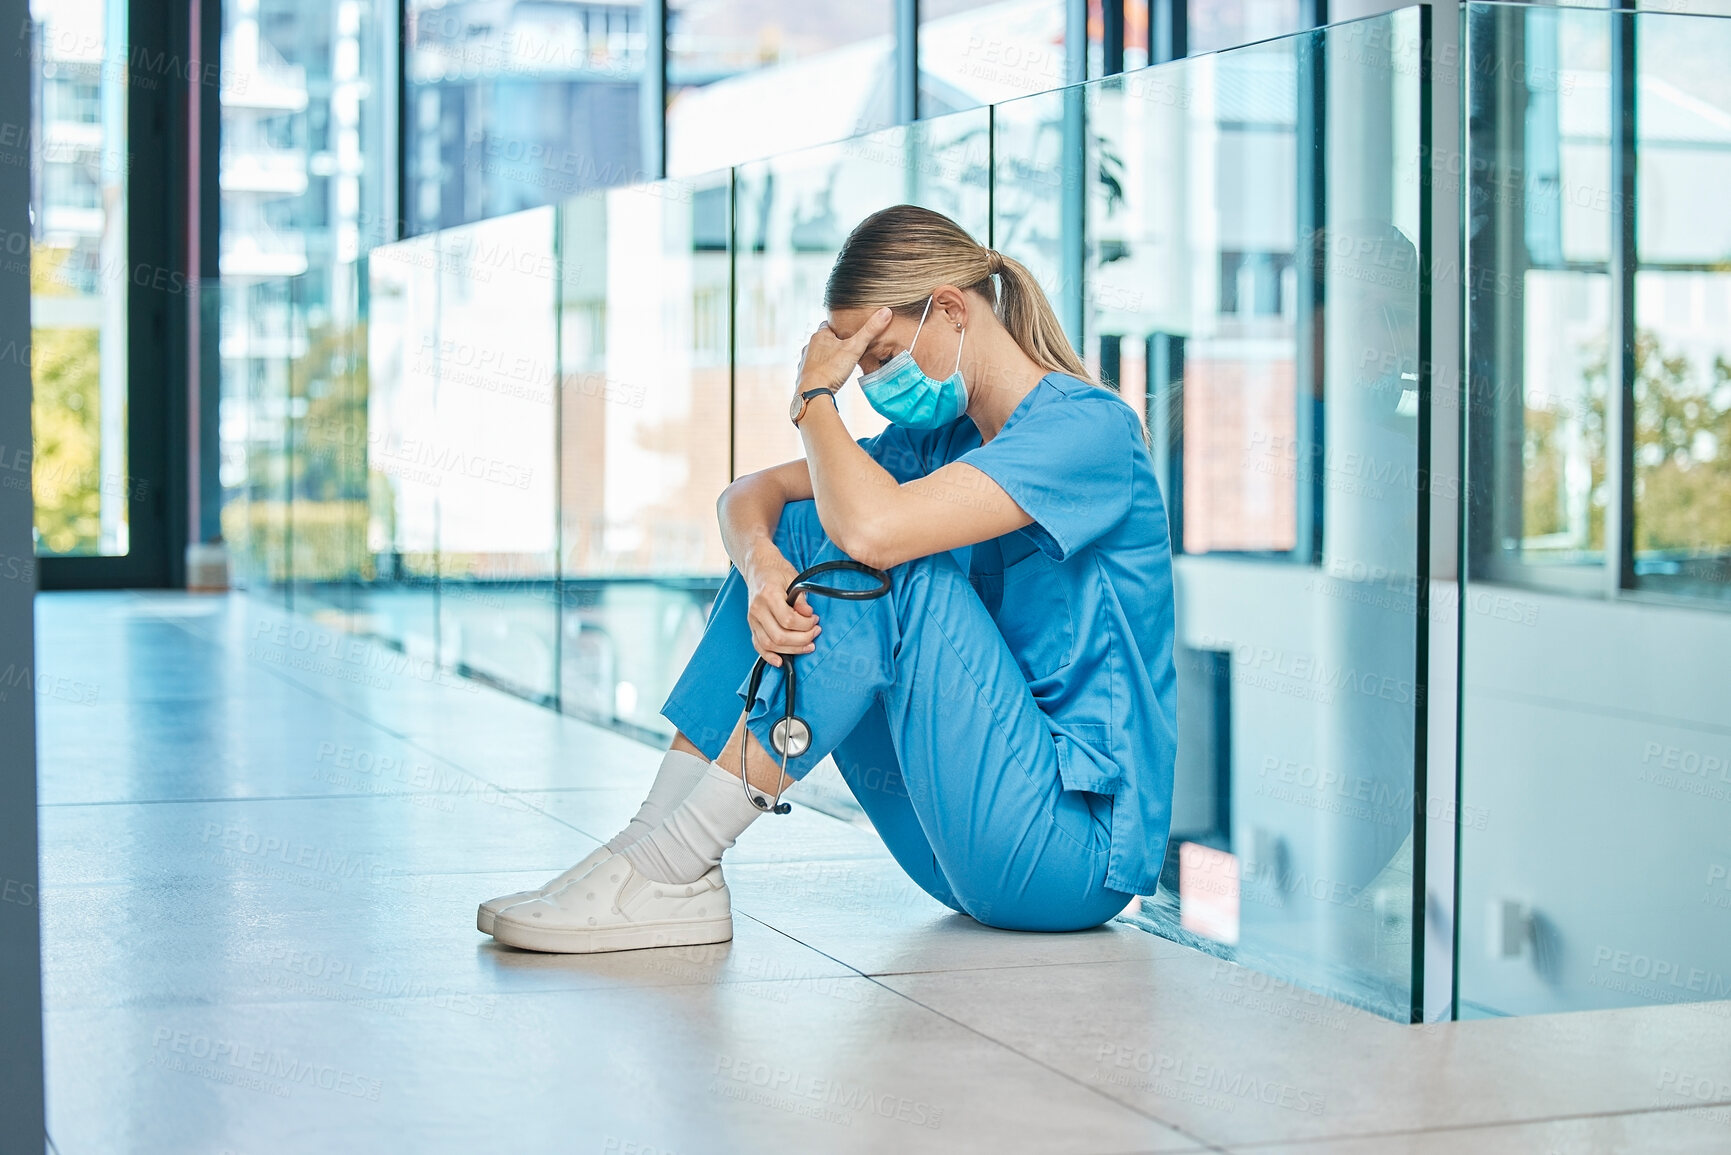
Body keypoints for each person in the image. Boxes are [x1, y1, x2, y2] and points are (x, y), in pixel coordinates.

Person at [478, 204, 1178, 953]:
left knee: (876, 554)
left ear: (948, 310)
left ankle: (672, 866)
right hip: (954, 849)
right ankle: (654, 845)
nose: (870, 383)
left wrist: (815, 397)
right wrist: (760, 571)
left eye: (875, 359)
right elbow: (747, 495)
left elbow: (874, 533)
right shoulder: (936, 441)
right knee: (805, 525)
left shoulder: (1088, 430)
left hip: (1068, 859)